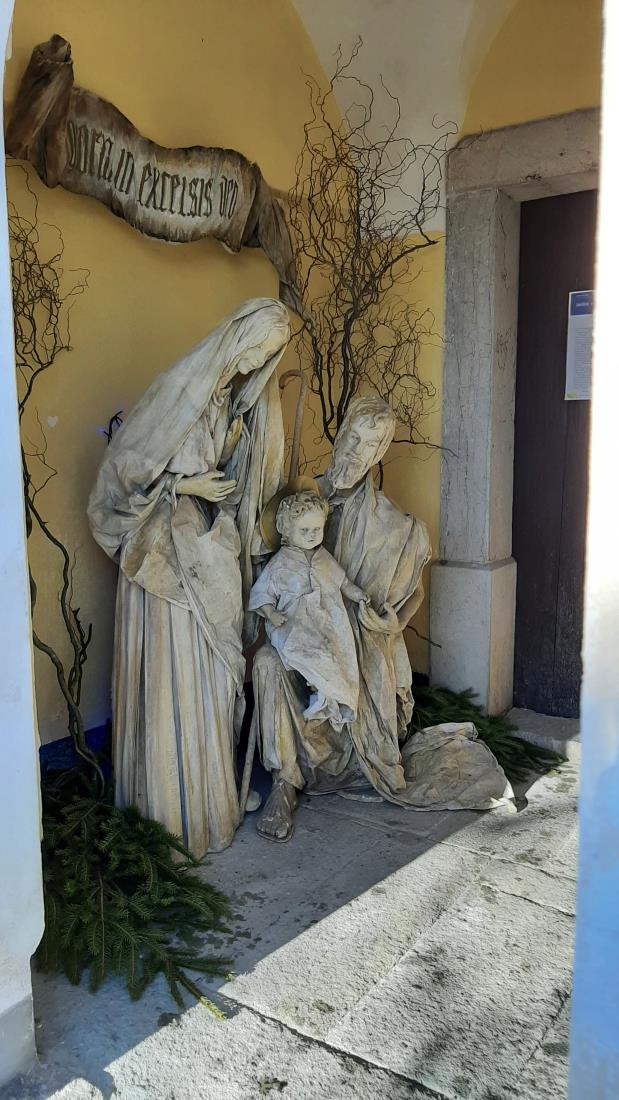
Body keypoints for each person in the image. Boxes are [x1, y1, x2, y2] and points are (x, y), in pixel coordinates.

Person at [252, 395, 512, 842]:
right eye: (353, 438)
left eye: (371, 445)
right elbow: (265, 573)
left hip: (357, 646)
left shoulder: (396, 527)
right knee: (265, 663)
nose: (357, 452)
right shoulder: (296, 502)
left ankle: (345, 744)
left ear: (380, 454)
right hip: (299, 637)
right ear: (340, 435)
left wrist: (392, 623)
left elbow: (413, 596)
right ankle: (284, 779)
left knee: (356, 666)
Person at [88, 298, 290, 855]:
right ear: (238, 335)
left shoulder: (227, 399)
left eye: (269, 355)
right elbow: (123, 474)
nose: (257, 361)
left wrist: (229, 459)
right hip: (163, 556)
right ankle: (169, 808)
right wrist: (186, 486)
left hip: (203, 541)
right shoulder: (179, 387)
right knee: (173, 667)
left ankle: (207, 796)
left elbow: (213, 461)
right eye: (257, 347)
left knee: (210, 671)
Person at [249, 490, 370, 735]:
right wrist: (271, 613)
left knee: (338, 653)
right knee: (314, 654)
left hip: (327, 622)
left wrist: (358, 594)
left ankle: (330, 698)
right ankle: (322, 697)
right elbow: (261, 594)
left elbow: (343, 582)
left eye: (317, 529)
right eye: (304, 530)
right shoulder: (280, 563)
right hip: (295, 626)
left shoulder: (323, 557)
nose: (312, 535)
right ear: (286, 530)